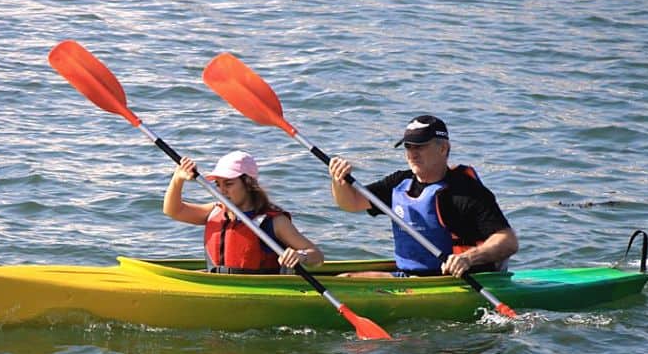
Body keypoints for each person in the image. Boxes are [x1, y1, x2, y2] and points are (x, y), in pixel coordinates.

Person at [328, 114, 518, 278]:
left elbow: (508, 241)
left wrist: (468, 259)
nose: (412, 154)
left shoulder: (466, 192)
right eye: (408, 147)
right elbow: (351, 203)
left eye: (420, 147)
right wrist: (338, 180)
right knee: (345, 278)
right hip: (410, 276)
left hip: (459, 279)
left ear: (443, 149)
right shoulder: (399, 182)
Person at [163, 150, 324, 274]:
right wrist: (178, 179)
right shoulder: (214, 211)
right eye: (218, 185)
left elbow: (317, 256)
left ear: (248, 183)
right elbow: (173, 210)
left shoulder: (274, 222)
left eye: (229, 184)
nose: (222, 191)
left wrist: (300, 256)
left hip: (258, 292)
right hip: (218, 285)